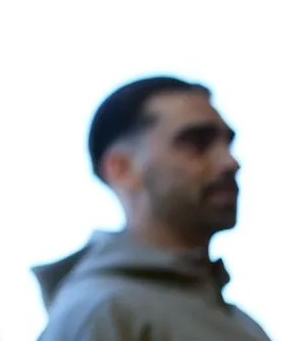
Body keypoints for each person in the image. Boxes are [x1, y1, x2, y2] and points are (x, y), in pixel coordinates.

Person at [32, 76, 270, 340]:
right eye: (198, 143)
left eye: (228, 143)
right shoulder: (99, 312)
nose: (230, 162)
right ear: (122, 168)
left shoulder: (242, 324)